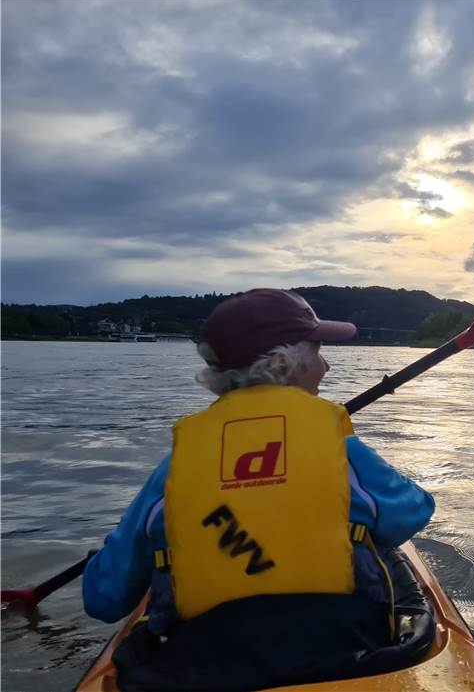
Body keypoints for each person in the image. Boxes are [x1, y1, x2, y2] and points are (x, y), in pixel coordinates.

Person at [82, 288, 435, 691]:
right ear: (285, 364)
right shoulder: (343, 452)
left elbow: (103, 599)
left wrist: (106, 555)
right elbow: (415, 511)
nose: (327, 365)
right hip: (345, 655)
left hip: (200, 669)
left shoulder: (174, 470)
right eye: (318, 352)